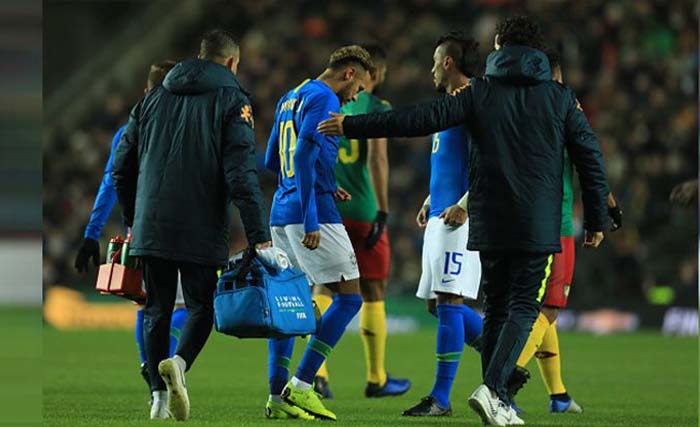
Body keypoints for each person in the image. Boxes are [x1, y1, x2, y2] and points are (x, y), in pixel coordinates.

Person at [317, 16, 610, 426]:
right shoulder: (559, 98)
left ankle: (498, 398)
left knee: (494, 311)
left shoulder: (481, 93)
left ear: (501, 47)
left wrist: (353, 125)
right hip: (535, 222)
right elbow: (589, 156)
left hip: (489, 221)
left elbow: (419, 119)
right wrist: (597, 215)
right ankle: (495, 390)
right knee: (523, 307)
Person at [112, 30, 271, 421]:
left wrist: (135, 218)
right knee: (202, 308)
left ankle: (157, 401)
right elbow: (240, 174)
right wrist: (258, 235)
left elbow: (120, 167)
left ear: (199, 57)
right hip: (201, 226)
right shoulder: (233, 100)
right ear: (232, 63)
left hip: (151, 225)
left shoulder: (152, 98)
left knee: (156, 310)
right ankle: (179, 365)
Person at [506, 49, 623, 415]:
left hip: (514, 223)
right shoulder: (563, 105)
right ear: (557, 76)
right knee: (549, 310)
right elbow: (588, 160)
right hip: (554, 224)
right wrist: (606, 208)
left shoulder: (515, 106)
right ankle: (501, 382)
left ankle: (558, 394)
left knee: (536, 307)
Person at [263, 45, 373, 421]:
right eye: (358, 87)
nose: (356, 96)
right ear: (348, 74)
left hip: (280, 211)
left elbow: (272, 160)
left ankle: (277, 395)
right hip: (312, 214)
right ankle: (304, 385)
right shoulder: (325, 98)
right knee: (350, 297)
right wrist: (311, 213)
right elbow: (303, 155)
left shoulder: (290, 96)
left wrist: (324, 183)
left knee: (288, 305)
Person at [73, 60, 189, 395]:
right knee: (190, 306)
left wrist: (91, 234)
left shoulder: (128, 131)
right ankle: (165, 363)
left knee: (145, 302)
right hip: (181, 226)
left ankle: (146, 363)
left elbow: (111, 183)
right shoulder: (184, 126)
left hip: (140, 228)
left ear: (145, 90)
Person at [312, 43, 410, 400]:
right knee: (373, 292)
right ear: (376, 74)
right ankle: (376, 377)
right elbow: (378, 162)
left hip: (329, 205)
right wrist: (382, 211)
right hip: (365, 209)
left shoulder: (328, 100)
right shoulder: (378, 107)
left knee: (323, 287)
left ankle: (318, 374)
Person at [401, 31, 484, 417]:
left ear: (449, 63)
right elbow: (451, 159)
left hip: (460, 217)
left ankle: (440, 398)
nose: (432, 68)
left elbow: (488, 160)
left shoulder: (475, 103)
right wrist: (431, 198)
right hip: (440, 212)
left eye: (436, 61)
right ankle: (503, 354)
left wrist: (465, 204)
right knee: (437, 305)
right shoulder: (449, 105)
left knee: (450, 301)